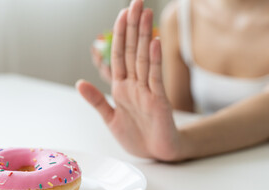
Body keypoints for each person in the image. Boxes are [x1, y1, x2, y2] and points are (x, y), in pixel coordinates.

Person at [76, 0, 269, 161]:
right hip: (213, 163)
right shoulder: (178, 16)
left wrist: (183, 143)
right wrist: (135, 86)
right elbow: (179, 115)